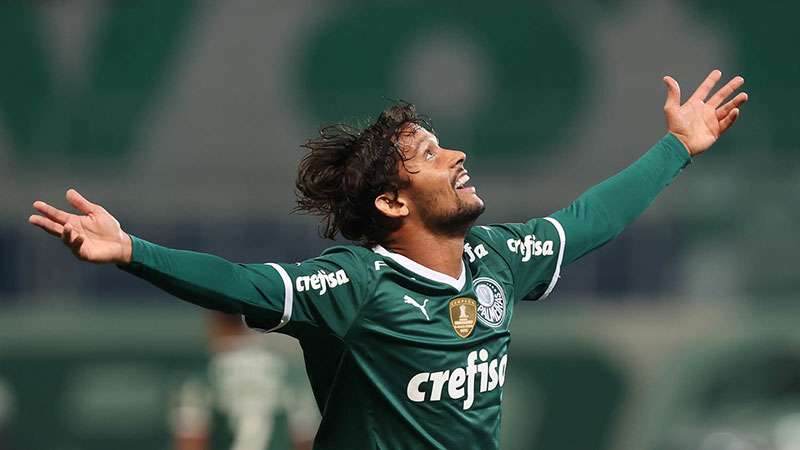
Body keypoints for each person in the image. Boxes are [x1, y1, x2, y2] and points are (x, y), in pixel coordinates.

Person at [29, 70, 747, 449]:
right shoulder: (357, 285)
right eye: (432, 155)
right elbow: (244, 284)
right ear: (394, 205)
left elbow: (590, 220)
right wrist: (131, 252)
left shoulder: (496, 260)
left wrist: (676, 148)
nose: (459, 155)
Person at [170, 313, 318, 450]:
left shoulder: (203, 371)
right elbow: (305, 437)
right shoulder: (286, 368)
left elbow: (190, 438)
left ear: (216, 319)